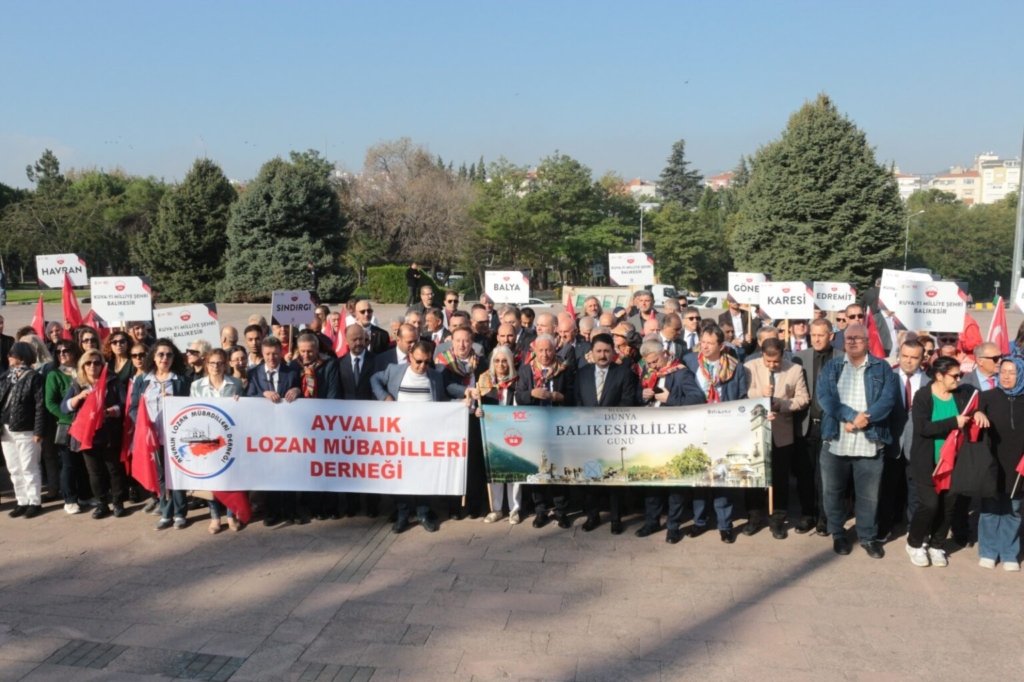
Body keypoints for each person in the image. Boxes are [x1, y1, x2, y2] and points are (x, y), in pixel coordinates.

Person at [817, 322, 899, 558]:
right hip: (836, 441)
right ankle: (838, 534)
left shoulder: (882, 368)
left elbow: (887, 400)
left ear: (867, 341)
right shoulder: (832, 367)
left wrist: (865, 418)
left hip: (869, 442)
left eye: (858, 338)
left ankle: (867, 537)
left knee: (868, 497)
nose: (852, 342)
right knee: (833, 493)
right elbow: (825, 398)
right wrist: (852, 416)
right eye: (848, 338)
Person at [905, 356, 989, 567]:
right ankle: (915, 543)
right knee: (929, 504)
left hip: (954, 462)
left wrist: (978, 411)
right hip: (927, 461)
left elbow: (977, 400)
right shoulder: (923, 396)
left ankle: (937, 545)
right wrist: (954, 422)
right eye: (954, 376)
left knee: (948, 505)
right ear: (939, 376)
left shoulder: (962, 393)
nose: (958, 379)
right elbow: (923, 428)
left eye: (960, 375)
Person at [371, 340, 448, 533]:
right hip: (400, 437)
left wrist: (464, 397)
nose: (422, 366)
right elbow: (374, 379)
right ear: (410, 357)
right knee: (401, 476)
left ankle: (423, 513)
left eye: (427, 362)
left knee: (425, 475)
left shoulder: (435, 377)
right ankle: (403, 514)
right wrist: (385, 397)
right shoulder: (395, 371)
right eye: (418, 361)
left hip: (426, 438)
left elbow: (446, 397)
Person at [633, 339, 706, 544]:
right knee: (651, 481)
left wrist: (670, 399)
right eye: (648, 363)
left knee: (675, 484)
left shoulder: (681, 373)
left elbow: (697, 399)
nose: (652, 366)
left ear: (664, 353)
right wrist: (643, 395)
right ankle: (652, 521)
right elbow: (638, 398)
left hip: (675, 437)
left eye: (655, 361)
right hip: (651, 436)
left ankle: (673, 526)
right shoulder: (648, 373)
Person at [683, 325, 748, 542]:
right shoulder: (690, 362)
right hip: (697, 426)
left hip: (723, 426)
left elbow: (741, 396)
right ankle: (699, 520)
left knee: (721, 475)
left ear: (721, 346)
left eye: (710, 343)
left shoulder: (735, 366)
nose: (705, 346)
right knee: (699, 475)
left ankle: (724, 524)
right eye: (702, 342)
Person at [744, 338, 810, 539]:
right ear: (762, 354)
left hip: (781, 433)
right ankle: (754, 517)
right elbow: (743, 393)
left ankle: (778, 520)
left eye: (776, 361)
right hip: (755, 431)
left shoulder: (794, 370)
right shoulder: (750, 367)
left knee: (780, 478)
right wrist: (760, 394)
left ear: (783, 354)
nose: (772, 365)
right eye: (768, 361)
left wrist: (781, 405)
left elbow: (803, 398)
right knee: (755, 476)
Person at [575, 333, 637, 534]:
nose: (602, 355)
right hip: (588, 435)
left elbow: (628, 400)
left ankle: (616, 519)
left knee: (614, 479)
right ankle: (592, 516)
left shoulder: (623, 373)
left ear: (613, 352)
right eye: (599, 351)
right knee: (591, 476)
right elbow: (577, 400)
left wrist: (607, 419)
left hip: (613, 435)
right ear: (591, 353)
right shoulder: (582, 374)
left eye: (606, 351)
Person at [130, 340, 192, 529]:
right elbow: (133, 408)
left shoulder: (181, 380)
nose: (165, 358)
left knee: (177, 474)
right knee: (161, 477)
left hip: (175, 436)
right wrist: (144, 425)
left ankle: (180, 513)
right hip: (152, 438)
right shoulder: (143, 380)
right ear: (154, 357)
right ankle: (166, 513)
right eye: (161, 354)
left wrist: (175, 403)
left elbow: (191, 406)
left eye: (169, 354)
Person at [515, 334, 575, 529]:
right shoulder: (526, 370)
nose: (545, 354)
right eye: (540, 350)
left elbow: (574, 395)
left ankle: (561, 511)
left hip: (558, 427)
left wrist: (561, 397)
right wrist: (531, 393)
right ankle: (540, 510)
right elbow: (519, 396)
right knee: (537, 470)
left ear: (554, 350)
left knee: (558, 470)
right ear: (535, 351)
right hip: (534, 428)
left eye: (548, 350)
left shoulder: (563, 369)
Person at [63, 349, 129, 519]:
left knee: (113, 469)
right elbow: (65, 407)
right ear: (83, 366)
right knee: (94, 472)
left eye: (97, 362)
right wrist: (78, 397)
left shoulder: (112, 381)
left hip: (109, 432)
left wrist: (112, 410)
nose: (93, 366)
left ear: (102, 365)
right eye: (88, 363)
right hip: (87, 435)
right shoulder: (78, 384)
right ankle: (102, 504)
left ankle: (118, 503)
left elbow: (124, 404)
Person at [975, 357, 1024, 570]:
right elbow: (972, 415)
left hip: (1019, 464)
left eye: (1012, 372)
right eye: (1003, 371)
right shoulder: (987, 397)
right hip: (993, 462)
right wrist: (977, 412)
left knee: (1014, 509)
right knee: (990, 508)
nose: (1006, 376)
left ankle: (1009, 553)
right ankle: (988, 551)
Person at [246, 336, 301, 526]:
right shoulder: (253, 373)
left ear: (281, 353)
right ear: (262, 353)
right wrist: (263, 394)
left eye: (276, 354)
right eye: (268, 354)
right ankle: (272, 512)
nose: (272, 358)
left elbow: (302, 392)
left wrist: (297, 391)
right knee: (270, 472)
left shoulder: (291, 371)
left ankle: (291, 511)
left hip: (287, 430)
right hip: (265, 431)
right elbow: (248, 397)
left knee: (289, 471)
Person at [190, 348, 245, 533]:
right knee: (211, 480)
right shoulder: (196, 386)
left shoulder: (236, 384)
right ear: (207, 364)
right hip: (207, 438)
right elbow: (192, 410)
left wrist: (239, 402)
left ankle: (231, 515)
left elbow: (243, 411)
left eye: (220, 363)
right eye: (212, 363)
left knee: (230, 478)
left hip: (229, 438)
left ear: (226, 364)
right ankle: (215, 517)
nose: (216, 366)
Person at [879, 340, 929, 541]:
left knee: (915, 492)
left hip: (917, 446)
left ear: (922, 359)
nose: (909, 361)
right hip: (891, 443)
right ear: (899, 355)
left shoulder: (930, 382)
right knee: (887, 489)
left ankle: (914, 530)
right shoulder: (886, 377)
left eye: (914, 357)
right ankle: (884, 527)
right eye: (905, 356)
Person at [469, 345, 521, 524]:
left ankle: (514, 509)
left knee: (514, 471)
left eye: (504, 361)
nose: (500, 365)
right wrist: (478, 412)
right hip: (492, 433)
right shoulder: (485, 382)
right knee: (495, 471)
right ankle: (496, 508)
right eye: (497, 361)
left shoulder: (517, 382)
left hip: (513, 431)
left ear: (510, 362)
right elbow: (479, 407)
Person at [1, 342, 46, 517]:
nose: (9, 357)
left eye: (12, 354)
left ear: (21, 356)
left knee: (29, 467)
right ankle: (22, 500)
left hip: (26, 429)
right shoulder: (7, 376)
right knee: (14, 467)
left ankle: (34, 501)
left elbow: (40, 406)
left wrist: (38, 430)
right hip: (6, 428)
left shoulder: (34, 377)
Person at [45, 341, 84, 514]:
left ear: (74, 352)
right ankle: (70, 499)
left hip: (85, 424)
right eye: (58, 351)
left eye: (66, 350)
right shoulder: (54, 375)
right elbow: (50, 403)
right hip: (67, 425)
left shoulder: (82, 371)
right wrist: (67, 418)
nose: (62, 354)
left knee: (84, 463)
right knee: (68, 464)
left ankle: (85, 495)